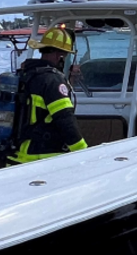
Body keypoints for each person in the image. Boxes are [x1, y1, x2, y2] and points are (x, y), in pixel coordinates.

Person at [6, 27, 87, 164]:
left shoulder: (24, 75)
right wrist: (85, 154)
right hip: (40, 160)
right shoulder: (52, 81)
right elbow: (65, 120)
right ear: (60, 56)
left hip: (15, 158)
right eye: (66, 56)